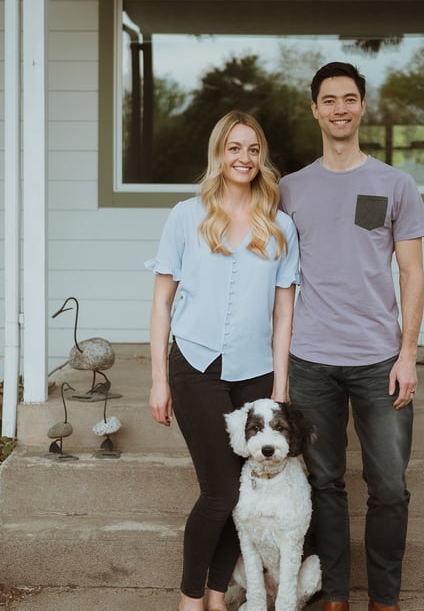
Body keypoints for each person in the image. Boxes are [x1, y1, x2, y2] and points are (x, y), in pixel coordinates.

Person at [279, 62, 424, 611]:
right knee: (325, 483)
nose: (340, 108)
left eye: (349, 98)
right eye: (329, 99)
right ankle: (336, 594)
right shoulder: (291, 189)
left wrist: (408, 355)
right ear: (314, 109)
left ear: (362, 106)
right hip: (312, 360)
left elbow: (411, 274)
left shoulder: (395, 184)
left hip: (379, 361)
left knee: (388, 486)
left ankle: (384, 599)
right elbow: (276, 277)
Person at [145, 110, 299, 611]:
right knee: (220, 492)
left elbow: (282, 314)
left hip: (254, 374)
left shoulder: (280, 225)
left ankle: (217, 596)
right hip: (194, 365)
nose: (244, 158)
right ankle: (191, 599)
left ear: (262, 158)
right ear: (219, 153)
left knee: (243, 494)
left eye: (253, 149)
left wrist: (279, 387)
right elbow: (162, 304)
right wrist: (158, 382)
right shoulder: (186, 216)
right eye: (235, 148)